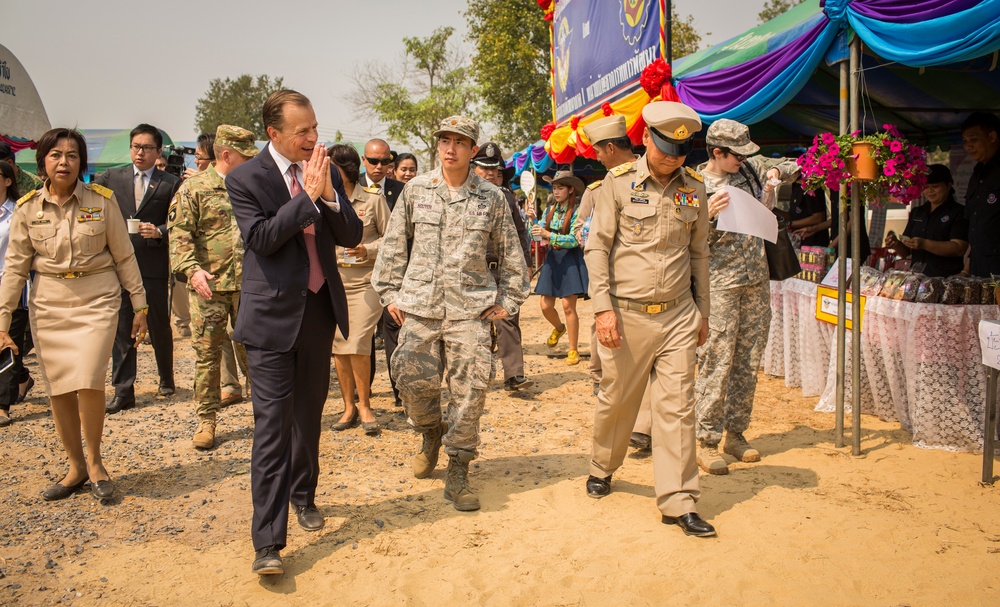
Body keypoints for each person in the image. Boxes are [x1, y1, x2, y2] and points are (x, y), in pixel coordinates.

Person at [226, 90, 362, 575]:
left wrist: (327, 196)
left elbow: (351, 235)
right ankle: (267, 541)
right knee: (271, 427)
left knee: (308, 416)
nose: (312, 138)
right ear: (274, 134)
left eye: (314, 127)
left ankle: (304, 496)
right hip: (270, 322)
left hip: (318, 314)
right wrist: (306, 195)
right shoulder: (245, 178)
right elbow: (261, 238)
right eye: (302, 130)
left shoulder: (324, 170)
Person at [372, 115, 530, 512]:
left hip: (470, 313)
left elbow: (514, 255)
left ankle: (458, 465)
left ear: (473, 150)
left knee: (471, 391)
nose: (451, 148)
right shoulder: (416, 189)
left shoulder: (491, 198)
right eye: (445, 140)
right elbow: (394, 245)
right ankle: (429, 431)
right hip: (419, 310)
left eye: (460, 142)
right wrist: (390, 293)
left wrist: (508, 302)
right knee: (409, 380)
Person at [585, 101, 715, 537]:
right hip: (627, 314)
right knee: (617, 399)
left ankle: (678, 501)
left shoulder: (694, 188)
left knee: (678, 407)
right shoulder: (617, 184)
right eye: (665, 148)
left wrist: (703, 313)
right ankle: (603, 465)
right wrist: (602, 308)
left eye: (682, 150)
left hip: (679, 313)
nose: (673, 157)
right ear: (645, 140)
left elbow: (699, 254)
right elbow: (597, 248)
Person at [0, 128, 147, 500]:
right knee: (59, 388)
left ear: (81, 162)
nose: (64, 162)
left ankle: (96, 462)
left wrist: (140, 305)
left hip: (97, 297)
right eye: (55, 155)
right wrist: (3, 324)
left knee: (88, 379)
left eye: (72, 155)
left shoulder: (102, 200)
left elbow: (124, 256)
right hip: (49, 303)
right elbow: (15, 269)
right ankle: (76, 467)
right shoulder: (27, 209)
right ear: (43, 162)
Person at [694, 119, 798, 476]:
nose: (743, 159)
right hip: (720, 285)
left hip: (756, 280)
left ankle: (735, 434)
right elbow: (679, 238)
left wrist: (774, 173)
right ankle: (704, 440)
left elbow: (788, 166)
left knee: (748, 359)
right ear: (717, 153)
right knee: (716, 359)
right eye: (736, 155)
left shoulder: (750, 169)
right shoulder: (693, 185)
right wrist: (705, 215)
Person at [169, 125, 256, 450]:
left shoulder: (255, 187)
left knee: (255, 356)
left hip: (250, 288)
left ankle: (266, 418)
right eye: (245, 156)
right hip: (209, 288)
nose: (250, 162)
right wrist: (192, 271)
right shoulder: (194, 188)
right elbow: (179, 234)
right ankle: (207, 421)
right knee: (207, 358)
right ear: (226, 154)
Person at [576, 114, 652, 450]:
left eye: (598, 151)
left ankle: (642, 426)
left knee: (647, 357)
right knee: (608, 353)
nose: (595, 157)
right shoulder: (597, 189)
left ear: (610, 147)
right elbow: (582, 229)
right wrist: (589, 237)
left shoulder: (654, 177)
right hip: (607, 285)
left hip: (645, 285)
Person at [94, 123, 181, 413]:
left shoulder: (170, 183)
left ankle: (166, 377)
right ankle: (123, 390)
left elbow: (179, 222)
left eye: (146, 147)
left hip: (152, 265)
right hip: (118, 267)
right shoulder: (111, 177)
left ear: (158, 152)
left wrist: (159, 231)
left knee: (157, 324)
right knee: (122, 329)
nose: (140, 152)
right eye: (136, 147)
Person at [327, 144, 390, 436]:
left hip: (367, 282)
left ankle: (365, 405)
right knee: (339, 344)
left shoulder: (373, 200)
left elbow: (392, 240)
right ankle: (348, 406)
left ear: (345, 169)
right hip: (335, 281)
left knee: (358, 340)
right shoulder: (322, 200)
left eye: (331, 168)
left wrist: (368, 249)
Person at [471, 142, 532, 391]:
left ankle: (514, 374)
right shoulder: (461, 195)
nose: (489, 173)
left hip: (503, 267)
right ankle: (478, 374)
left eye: (494, 169)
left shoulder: (506, 197)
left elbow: (519, 231)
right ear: (473, 168)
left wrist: (526, 263)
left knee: (508, 317)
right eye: (484, 168)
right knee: (476, 324)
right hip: (474, 270)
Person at [532, 171, 588, 365]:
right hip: (552, 258)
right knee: (545, 306)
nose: (556, 192)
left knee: (568, 306)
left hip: (569, 258)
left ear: (570, 190)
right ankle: (559, 328)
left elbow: (574, 239)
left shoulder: (577, 211)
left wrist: (548, 234)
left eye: (560, 188)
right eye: (554, 188)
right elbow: (538, 235)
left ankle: (573, 350)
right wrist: (534, 224)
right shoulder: (550, 210)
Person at [884, 164, 968, 277]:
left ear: (948, 185)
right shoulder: (918, 212)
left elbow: (959, 248)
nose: (930, 191)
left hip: (945, 279)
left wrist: (924, 244)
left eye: (935, 186)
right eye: (926, 187)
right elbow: (906, 252)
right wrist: (896, 244)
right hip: (917, 279)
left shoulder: (959, 212)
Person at [0, 162, 33, 426]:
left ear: (8, 181)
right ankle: (22, 377)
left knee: (8, 344)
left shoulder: (19, 212)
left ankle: (2, 404)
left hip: (13, 289)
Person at [961, 112, 1000, 277]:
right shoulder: (976, 174)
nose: (968, 147)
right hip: (978, 269)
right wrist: (965, 270)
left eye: (974, 140)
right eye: (965, 142)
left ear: (992, 136)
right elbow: (974, 225)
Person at [779, 179, 830, 247]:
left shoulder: (811, 183)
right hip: (798, 241)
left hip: (813, 244)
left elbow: (818, 217)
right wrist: (774, 212)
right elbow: (793, 215)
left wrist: (790, 224)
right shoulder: (795, 184)